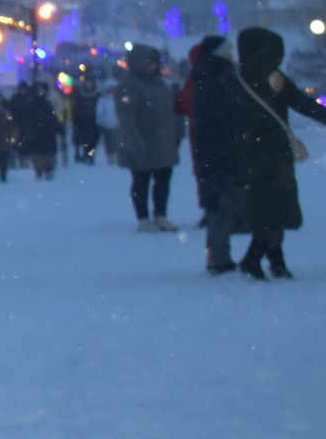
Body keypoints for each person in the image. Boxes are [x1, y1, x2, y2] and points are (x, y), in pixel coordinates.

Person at [230, 26, 326, 279]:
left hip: (247, 154)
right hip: (272, 154)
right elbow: (303, 105)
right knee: (275, 210)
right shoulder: (274, 78)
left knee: (264, 211)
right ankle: (255, 260)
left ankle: (275, 261)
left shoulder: (236, 78)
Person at [185, 35, 249, 274]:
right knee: (222, 204)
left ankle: (218, 255)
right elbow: (224, 113)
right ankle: (218, 258)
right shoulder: (220, 75)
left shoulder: (207, 74)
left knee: (220, 204)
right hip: (221, 147)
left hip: (213, 148)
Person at [114, 44, 184, 232]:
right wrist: (133, 141)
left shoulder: (158, 82)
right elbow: (126, 116)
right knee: (141, 179)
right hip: (142, 140)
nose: (152, 66)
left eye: (154, 62)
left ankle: (161, 215)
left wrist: (176, 133)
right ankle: (143, 218)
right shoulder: (129, 84)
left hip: (162, 141)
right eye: (148, 62)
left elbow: (169, 110)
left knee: (163, 178)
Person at [13, 80, 63, 180]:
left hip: (45, 134)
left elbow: (52, 118)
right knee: (37, 155)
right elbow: (25, 120)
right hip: (35, 135)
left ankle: (47, 169)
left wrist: (59, 128)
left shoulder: (46, 104)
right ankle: (40, 169)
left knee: (47, 154)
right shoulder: (29, 104)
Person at [72, 71, 101, 163]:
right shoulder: (79, 96)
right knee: (83, 141)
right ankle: (83, 155)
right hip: (82, 122)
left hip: (93, 122)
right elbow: (75, 109)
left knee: (93, 143)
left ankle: (91, 156)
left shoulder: (97, 96)